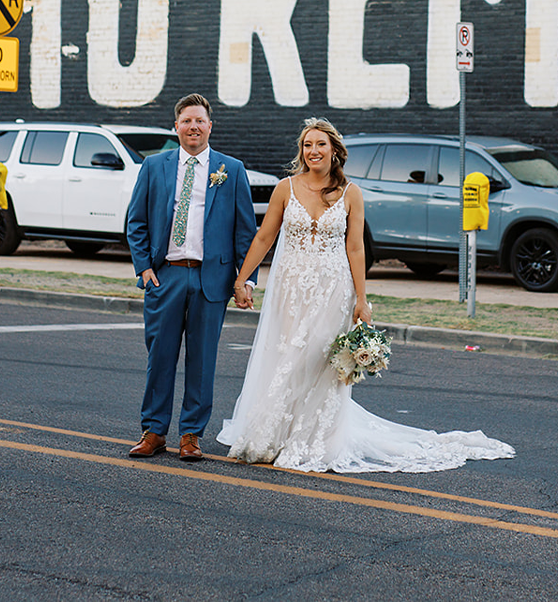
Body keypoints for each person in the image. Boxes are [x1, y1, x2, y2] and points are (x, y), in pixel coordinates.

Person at [218, 117, 515, 473]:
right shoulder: (286, 188)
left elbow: (355, 248)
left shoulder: (350, 193)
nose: (313, 151)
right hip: (291, 289)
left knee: (321, 363)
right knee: (287, 359)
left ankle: (314, 440)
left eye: (320, 145)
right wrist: (242, 279)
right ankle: (274, 434)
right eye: (307, 145)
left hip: (333, 290)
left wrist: (362, 299)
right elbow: (265, 237)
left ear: (334, 150)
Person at [126, 93, 257, 462]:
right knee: (160, 358)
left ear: (210, 126)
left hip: (210, 281)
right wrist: (144, 268)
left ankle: (191, 435)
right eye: (186, 121)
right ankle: (153, 431)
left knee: (202, 362)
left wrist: (245, 280)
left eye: (200, 120)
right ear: (176, 126)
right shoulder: (155, 167)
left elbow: (245, 231)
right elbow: (135, 222)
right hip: (165, 277)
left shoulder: (231, 169)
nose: (193, 127)